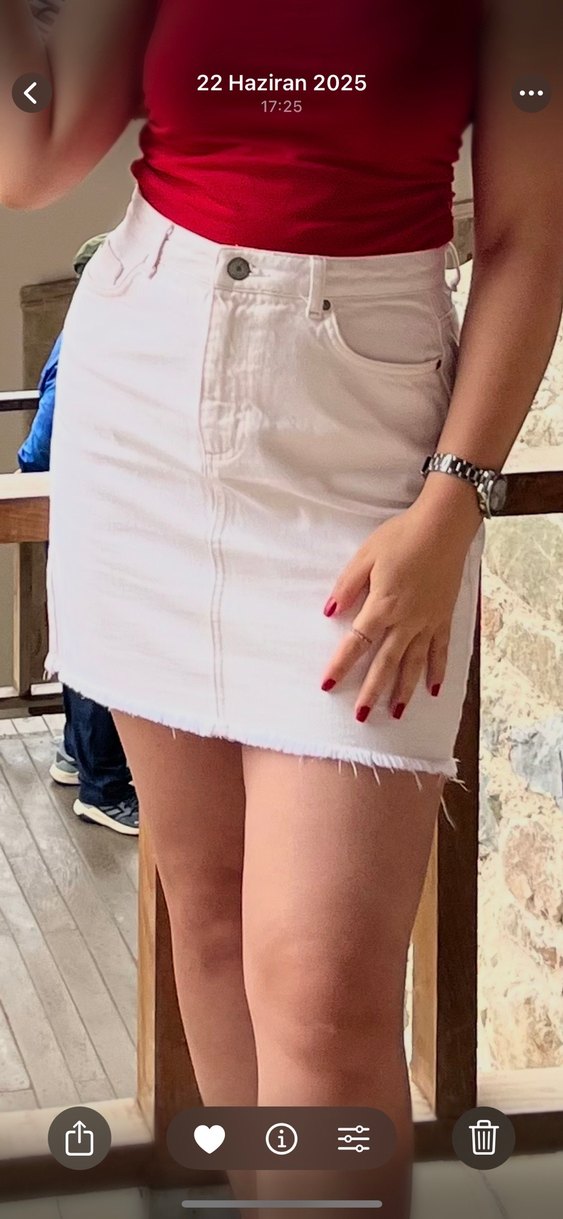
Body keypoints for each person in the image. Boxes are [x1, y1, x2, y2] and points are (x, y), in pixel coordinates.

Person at [2, 2, 561, 1215]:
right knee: (207, 917)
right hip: (142, 412)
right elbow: (29, 153)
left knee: (322, 991)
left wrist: (451, 503)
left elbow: (531, 236)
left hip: (363, 455)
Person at [17, 235, 140, 836]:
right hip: (89, 508)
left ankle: (76, 757)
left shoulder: (91, 335)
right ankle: (104, 789)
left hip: (93, 506)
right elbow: (39, 451)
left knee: (86, 644)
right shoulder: (91, 344)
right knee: (99, 649)